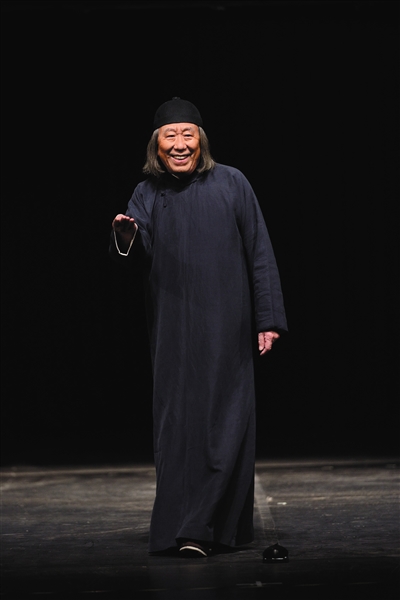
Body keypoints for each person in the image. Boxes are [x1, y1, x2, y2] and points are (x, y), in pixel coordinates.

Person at [109, 97, 288, 558]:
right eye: (170, 136)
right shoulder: (146, 193)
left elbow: (259, 250)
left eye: (188, 135)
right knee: (175, 428)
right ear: (157, 146)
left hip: (227, 325)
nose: (180, 144)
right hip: (172, 330)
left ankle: (201, 528)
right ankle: (180, 526)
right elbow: (136, 249)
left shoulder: (232, 182)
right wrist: (126, 234)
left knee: (225, 421)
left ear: (201, 141)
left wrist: (268, 318)